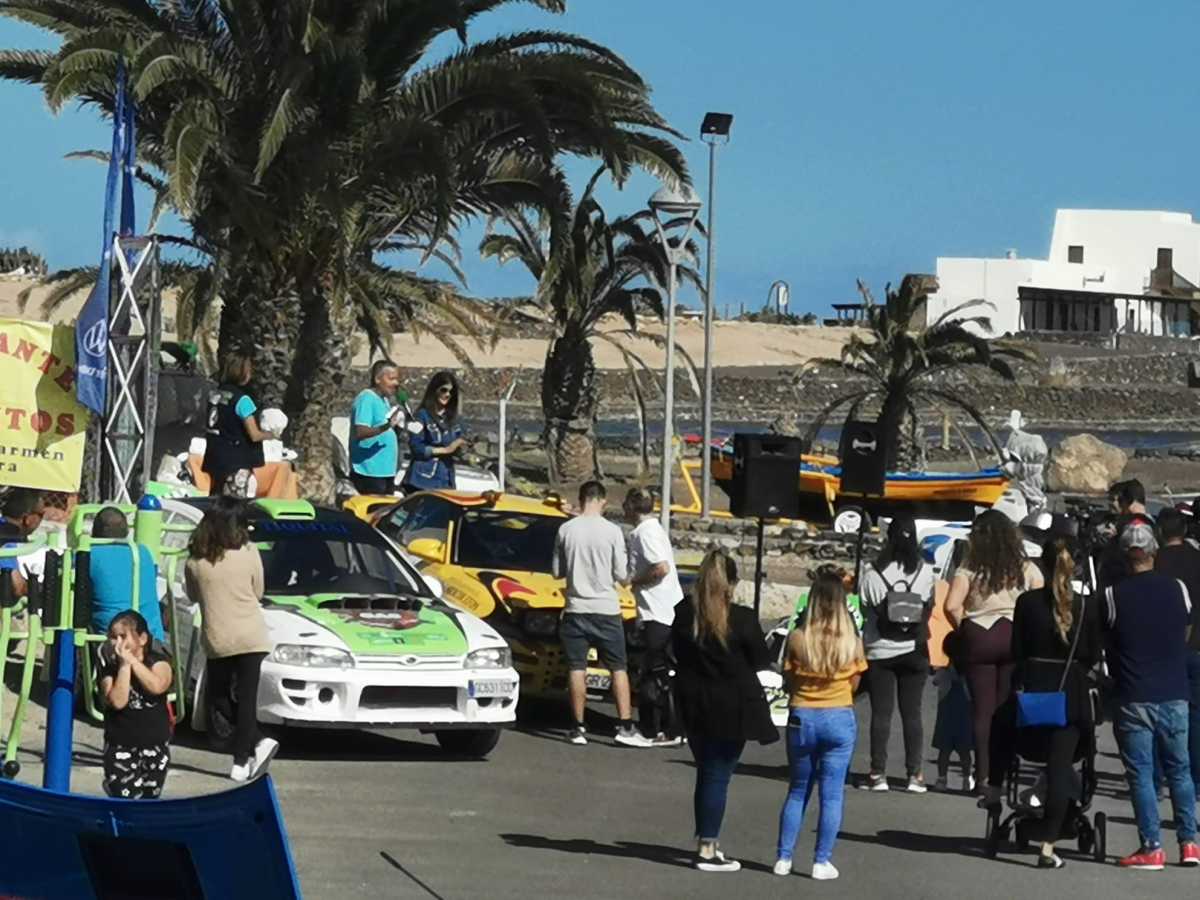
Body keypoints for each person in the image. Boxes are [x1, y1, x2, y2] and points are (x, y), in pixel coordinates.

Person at [980, 533, 1104, 869]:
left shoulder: (1027, 603)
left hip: (1033, 698)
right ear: (1076, 567)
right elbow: (1092, 654)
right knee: (1061, 767)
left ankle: (994, 787)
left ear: (1043, 565)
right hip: (1070, 698)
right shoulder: (1087, 607)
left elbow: (1018, 650)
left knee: (999, 722)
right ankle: (1048, 846)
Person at [672, 549, 778, 872]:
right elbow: (761, 660)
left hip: (693, 701)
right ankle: (707, 847)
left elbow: (675, 652)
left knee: (706, 772)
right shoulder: (742, 618)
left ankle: (707, 839)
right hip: (732, 705)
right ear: (731, 583)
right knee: (718, 775)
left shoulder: (684, 614)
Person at [1103, 522, 1199, 869]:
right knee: (1180, 771)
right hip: (1173, 689)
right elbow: (1185, 630)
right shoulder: (1177, 588)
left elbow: (1108, 639)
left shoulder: (1113, 595)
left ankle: (1152, 845)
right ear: (1153, 552)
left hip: (1135, 691)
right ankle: (1189, 843)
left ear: (1125, 555)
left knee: (1142, 773)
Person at [774, 571, 866, 881]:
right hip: (839, 714)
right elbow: (856, 682)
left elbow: (788, 678)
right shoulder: (852, 641)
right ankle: (821, 860)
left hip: (803, 715)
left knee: (798, 789)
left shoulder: (798, 638)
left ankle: (783, 857)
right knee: (832, 794)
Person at [945, 509, 1043, 789]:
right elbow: (1038, 597)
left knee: (982, 710)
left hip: (979, 636)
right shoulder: (1026, 568)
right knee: (1006, 706)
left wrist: (964, 627)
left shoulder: (969, 568)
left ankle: (984, 776)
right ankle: (1005, 770)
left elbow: (951, 605)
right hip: (1013, 635)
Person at [184, 497, 279, 781]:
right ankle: (248, 752)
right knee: (246, 698)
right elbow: (259, 591)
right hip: (252, 634)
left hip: (219, 638)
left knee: (220, 699)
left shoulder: (195, 562)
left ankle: (249, 750)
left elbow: (192, 595)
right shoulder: (249, 552)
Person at [553, 481, 646, 747]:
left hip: (575, 608)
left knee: (576, 668)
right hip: (606, 609)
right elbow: (621, 574)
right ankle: (625, 725)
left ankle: (578, 727)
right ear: (602, 500)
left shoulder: (565, 529)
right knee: (618, 668)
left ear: (581, 499)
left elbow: (557, 571)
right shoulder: (612, 531)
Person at [858, 514, 935, 793]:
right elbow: (929, 606)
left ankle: (878, 774)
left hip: (881, 649)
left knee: (881, 713)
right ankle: (915, 775)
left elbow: (865, 606)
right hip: (914, 648)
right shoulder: (925, 571)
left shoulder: (872, 571)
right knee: (912, 713)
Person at [623, 487, 683, 746]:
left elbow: (661, 568)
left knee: (654, 673)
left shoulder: (644, 533)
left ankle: (654, 730)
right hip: (662, 611)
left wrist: (635, 580)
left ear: (631, 507)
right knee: (662, 672)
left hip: (657, 614)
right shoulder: (653, 529)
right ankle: (667, 728)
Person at [98, 609, 174, 799]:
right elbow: (117, 701)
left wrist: (133, 661)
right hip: (120, 746)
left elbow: (157, 686)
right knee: (125, 800)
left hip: (155, 746)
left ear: (142, 639)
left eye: (123, 636)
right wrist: (124, 666)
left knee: (150, 800)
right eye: (113, 637)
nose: (118, 643)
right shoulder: (110, 669)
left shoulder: (158, 663)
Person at [1155, 507, 1200, 795]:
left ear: (1160, 532)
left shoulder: (1156, 561)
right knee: (1195, 715)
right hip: (1197, 645)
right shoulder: (1197, 559)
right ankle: (1196, 779)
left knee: (1159, 713)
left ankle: (1159, 775)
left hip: (1163, 647)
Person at [201, 353, 276, 498]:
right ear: (241, 372)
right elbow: (254, 435)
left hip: (215, 456)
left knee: (215, 498)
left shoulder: (215, 394)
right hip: (236, 460)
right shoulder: (243, 400)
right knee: (233, 502)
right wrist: (272, 434)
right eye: (249, 369)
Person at [87, 506, 166, 642]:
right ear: (127, 531)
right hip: (152, 639)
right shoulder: (143, 553)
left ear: (94, 531)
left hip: (111, 641)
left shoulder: (88, 554)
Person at [350, 360, 406, 496]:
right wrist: (385, 427)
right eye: (391, 379)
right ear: (377, 379)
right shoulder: (366, 398)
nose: (396, 383)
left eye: (397, 379)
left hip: (386, 471)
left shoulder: (384, 400)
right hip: (370, 471)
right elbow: (361, 431)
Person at [403, 371, 464, 492]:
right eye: (444, 390)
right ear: (434, 390)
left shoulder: (453, 419)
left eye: (451, 392)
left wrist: (462, 448)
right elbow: (416, 448)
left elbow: (458, 445)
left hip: (446, 480)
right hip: (423, 480)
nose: (447, 395)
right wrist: (445, 450)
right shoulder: (421, 416)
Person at [931, 640, 974, 793]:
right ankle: (967, 779)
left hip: (946, 716)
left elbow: (935, 681)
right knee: (965, 752)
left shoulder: (944, 671)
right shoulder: (969, 673)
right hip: (964, 715)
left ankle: (942, 779)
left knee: (944, 751)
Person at [0, 488, 45, 598]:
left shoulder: (5, 530)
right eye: (41, 515)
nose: (41, 520)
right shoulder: (7, 540)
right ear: (27, 518)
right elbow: (17, 588)